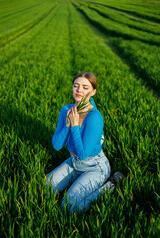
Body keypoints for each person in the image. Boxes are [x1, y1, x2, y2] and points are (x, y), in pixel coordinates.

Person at [45, 72, 124, 214]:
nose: (79, 90)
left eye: (85, 87)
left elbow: (83, 154)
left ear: (93, 92)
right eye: (76, 86)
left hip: (95, 167)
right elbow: (57, 145)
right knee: (46, 189)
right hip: (74, 162)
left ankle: (110, 185)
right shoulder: (66, 110)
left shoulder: (95, 118)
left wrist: (74, 126)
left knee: (68, 207)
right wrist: (67, 126)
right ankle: (76, 180)